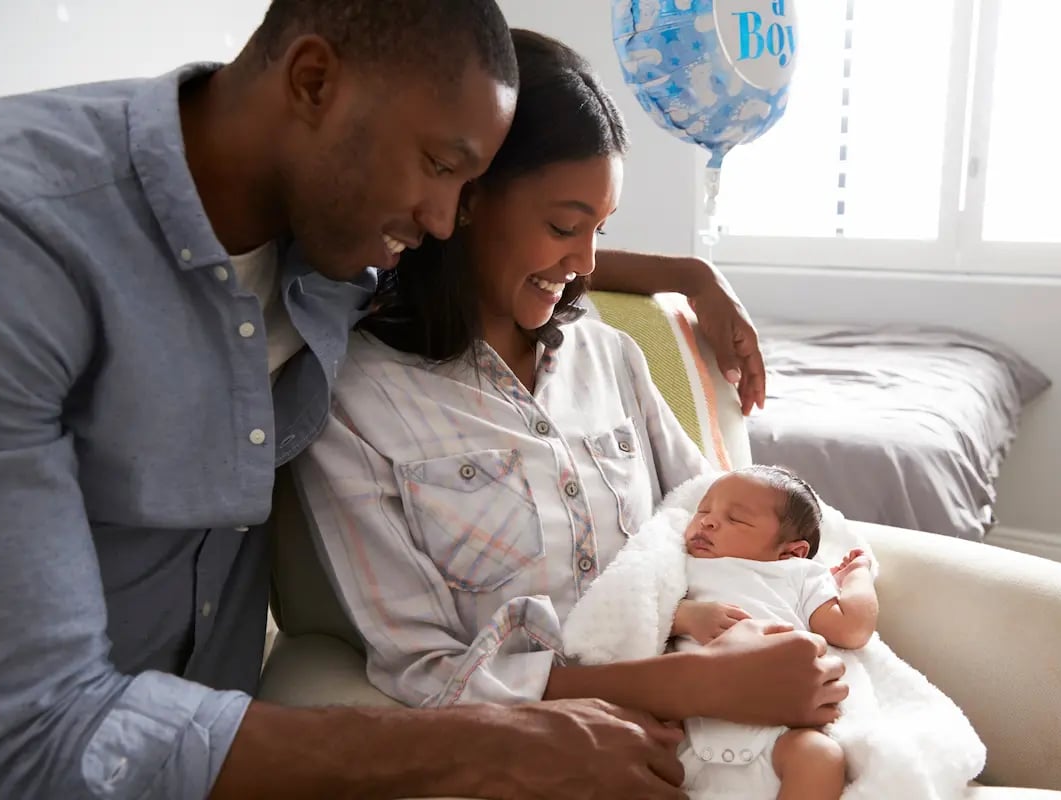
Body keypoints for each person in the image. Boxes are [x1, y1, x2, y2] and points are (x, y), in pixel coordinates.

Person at [0, 1, 795, 798]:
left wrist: (691, 278)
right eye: (443, 168)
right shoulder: (26, 244)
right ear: (313, 82)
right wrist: (485, 745)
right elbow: (42, 732)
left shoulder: (339, 233)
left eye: (468, 183)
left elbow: (508, 254)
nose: (447, 218)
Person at [294, 26, 849, 796]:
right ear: (466, 199)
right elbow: (428, 673)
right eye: (564, 226)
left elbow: (712, 522)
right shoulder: (358, 400)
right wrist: (701, 689)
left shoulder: (606, 353)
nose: (587, 263)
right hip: (566, 761)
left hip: (733, 737)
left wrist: (802, 623)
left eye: (601, 231)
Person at [672, 466, 878, 800]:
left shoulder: (797, 574)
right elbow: (640, 613)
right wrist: (683, 616)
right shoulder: (677, 563)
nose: (707, 522)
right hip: (685, 724)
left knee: (820, 756)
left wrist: (857, 576)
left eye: (736, 519)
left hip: (777, 732)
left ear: (790, 551)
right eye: (703, 510)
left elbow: (852, 629)